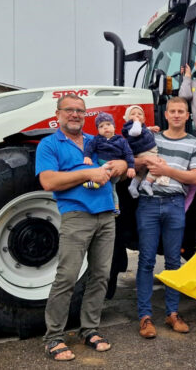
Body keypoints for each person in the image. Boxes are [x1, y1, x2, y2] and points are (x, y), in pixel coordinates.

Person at [35, 94, 128, 361]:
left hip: (106, 215)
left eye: (80, 111)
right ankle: (53, 337)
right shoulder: (49, 144)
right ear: (58, 114)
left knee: (100, 276)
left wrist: (119, 165)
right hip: (76, 216)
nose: (75, 115)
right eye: (69, 110)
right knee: (67, 277)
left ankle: (90, 330)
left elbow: (121, 161)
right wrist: (88, 173)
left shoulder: (94, 140)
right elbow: (49, 181)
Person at [134, 97, 196, 339]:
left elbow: (195, 177)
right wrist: (144, 161)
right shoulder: (152, 138)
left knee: (174, 261)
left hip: (175, 203)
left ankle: (172, 313)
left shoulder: (194, 144)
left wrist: (166, 171)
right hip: (149, 203)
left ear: (188, 116)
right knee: (146, 260)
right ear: (166, 115)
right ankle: (145, 317)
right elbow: (132, 162)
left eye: (181, 111)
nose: (176, 115)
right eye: (172, 111)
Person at [83, 112, 136, 215]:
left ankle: (96, 183)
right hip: (104, 167)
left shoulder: (121, 140)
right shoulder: (97, 139)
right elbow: (89, 147)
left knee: (104, 171)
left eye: (108, 124)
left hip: (113, 169)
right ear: (98, 130)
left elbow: (128, 153)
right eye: (101, 126)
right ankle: (115, 208)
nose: (105, 128)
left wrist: (131, 167)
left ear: (114, 126)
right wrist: (87, 156)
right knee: (112, 190)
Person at [120, 105, 170, 198]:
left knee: (141, 171)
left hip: (146, 151)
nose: (137, 116)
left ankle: (133, 186)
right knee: (158, 164)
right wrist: (136, 121)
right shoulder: (131, 127)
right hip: (146, 151)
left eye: (140, 114)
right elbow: (136, 131)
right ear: (127, 118)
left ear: (144, 119)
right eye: (133, 114)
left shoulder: (139, 126)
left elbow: (142, 130)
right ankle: (147, 182)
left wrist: (151, 128)